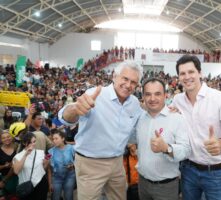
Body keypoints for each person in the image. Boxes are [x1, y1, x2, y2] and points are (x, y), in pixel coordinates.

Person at [58, 61, 143, 200]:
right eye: (125, 79)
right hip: (90, 163)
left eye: (133, 82)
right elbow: (65, 117)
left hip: (117, 163)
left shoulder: (134, 103)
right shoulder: (95, 94)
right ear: (114, 76)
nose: (128, 85)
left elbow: (140, 125)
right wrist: (75, 109)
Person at [172, 55, 221, 200]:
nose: (187, 77)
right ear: (178, 77)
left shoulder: (219, 98)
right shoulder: (177, 100)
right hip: (188, 169)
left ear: (200, 73)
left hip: (215, 173)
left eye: (191, 72)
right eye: (182, 73)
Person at [136, 78, 191, 200]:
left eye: (157, 94)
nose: (152, 98)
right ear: (143, 96)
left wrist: (166, 148)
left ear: (165, 96)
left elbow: (186, 150)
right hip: (142, 183)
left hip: (166, 187)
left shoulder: (177, 119)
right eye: (148, 94)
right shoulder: (140, 118)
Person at [13, 132, 49, 200]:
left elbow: (43, 169)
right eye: (30, 142)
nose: (33, 144)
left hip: (41, 183)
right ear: (24, 143)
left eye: (34, 141)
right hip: (26, 186)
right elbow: (16, 171)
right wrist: (26, 154)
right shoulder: (18, 156)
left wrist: (46, 163)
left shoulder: (41, 153)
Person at [48, 129, 76, 200]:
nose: (54, 141)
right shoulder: (51, 152)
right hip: (56, 178)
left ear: (63, 138)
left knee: (68, 197)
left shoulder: (71, 148)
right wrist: (50, 183)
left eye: (56, 138)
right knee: (55, 197)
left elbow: (78, 161)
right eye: (53, 139)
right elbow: (49, 169)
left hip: (70, 176)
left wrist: (73, 165)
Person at [0, 130, 18, 198]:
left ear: (11, 137)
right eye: (3, 138)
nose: (6, 139)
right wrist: (5, 166)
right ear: (1, 140)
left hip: (18, 177)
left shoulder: (17, 147)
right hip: (5, 178)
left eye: (8, 136)